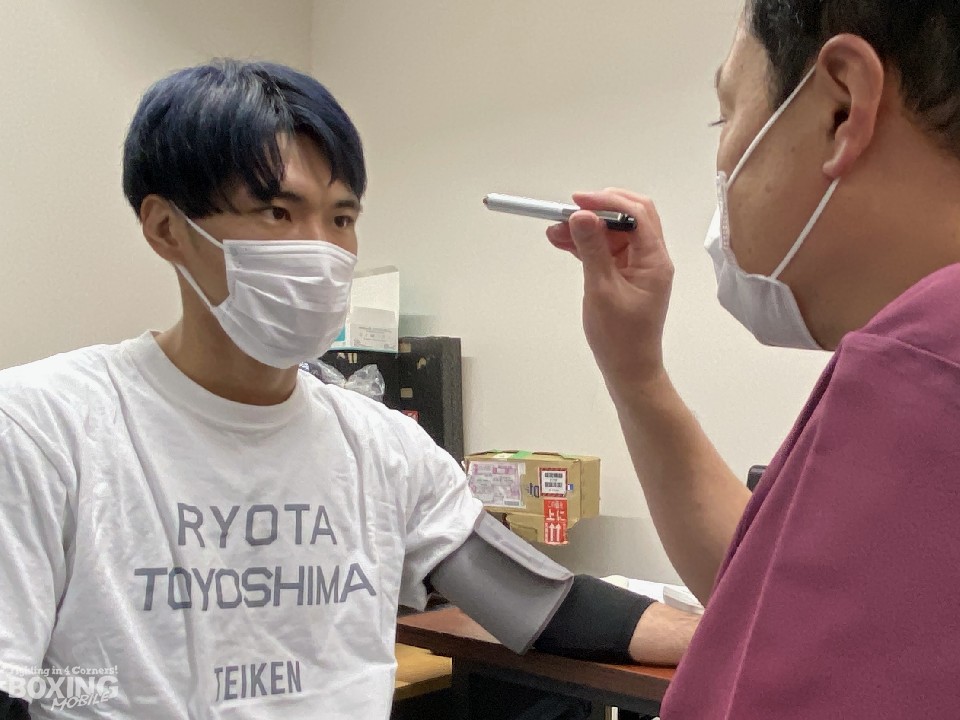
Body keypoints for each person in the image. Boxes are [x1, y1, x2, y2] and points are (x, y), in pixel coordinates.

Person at [0, 60, 699, 720]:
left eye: (340, 219)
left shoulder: (382, 445)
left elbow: (543, 606)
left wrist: (735, 635)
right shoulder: (41, 429)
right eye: (278, 213)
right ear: (166, 229)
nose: (322, 251)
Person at [547, 1, 960, 718]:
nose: (723, 160)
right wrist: (635, 372)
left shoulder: (926, 371)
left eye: (726, 116)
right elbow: (783, 591)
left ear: (842, 107)